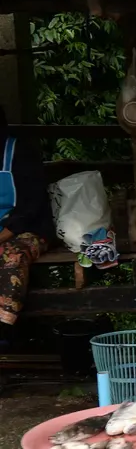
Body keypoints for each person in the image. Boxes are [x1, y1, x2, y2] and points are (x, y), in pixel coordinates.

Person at [0, 108, 53, 327]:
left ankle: (4, 326)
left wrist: (3, 235)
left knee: (12, 256)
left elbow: (30, 208)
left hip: (27, 230)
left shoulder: (20, 153)